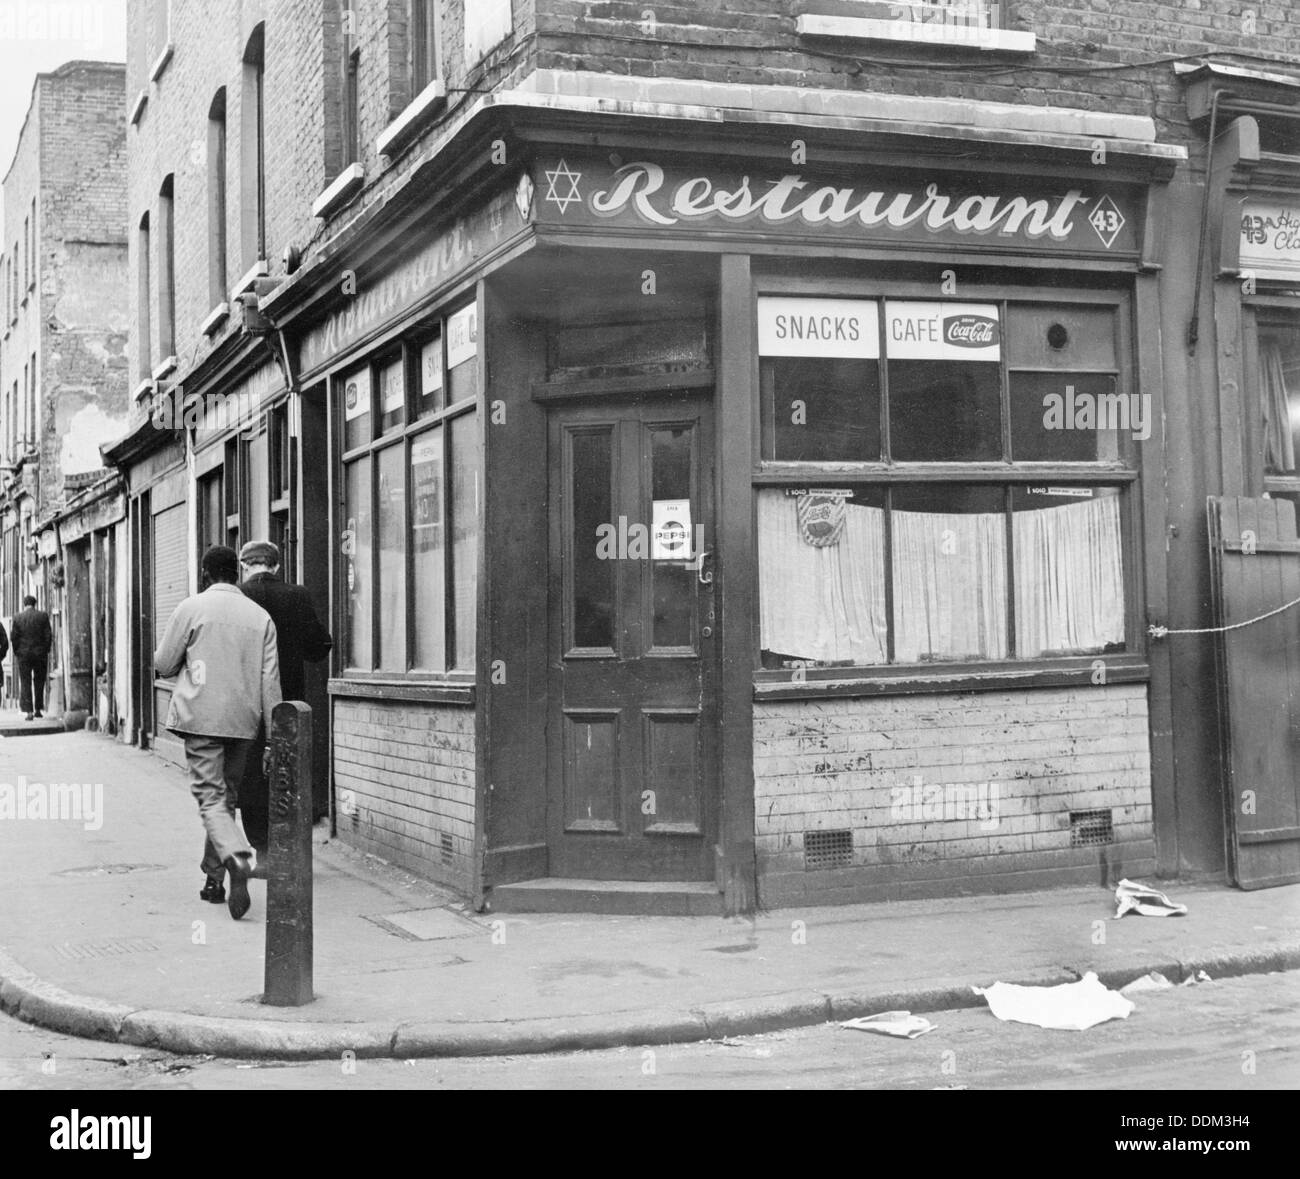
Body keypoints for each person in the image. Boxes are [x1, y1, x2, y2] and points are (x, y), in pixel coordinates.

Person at [154, 545, 282, 919]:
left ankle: (237, 858)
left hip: (201, 718)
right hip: (244, 722)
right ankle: (214, 880)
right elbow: (269, 682)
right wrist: (272, 738)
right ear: (236, 573)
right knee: (225, 799)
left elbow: (163, 662)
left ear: (206, 574)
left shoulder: (191, 609)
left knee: (212, 800)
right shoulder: (261, 618)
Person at [237, 540, 333, 858]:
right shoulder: (298, 596)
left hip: (247, 704)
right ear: (277, 566)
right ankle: (286, 851)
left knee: (252, 777)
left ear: (244, 565)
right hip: (289, 704)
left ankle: (261, 849)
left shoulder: (237, 597)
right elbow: (319, 646)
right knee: (286, 775)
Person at [11, 595, 53, 721]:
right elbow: (48, 635)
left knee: (25, 682)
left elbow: (14, 637)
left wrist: (17, 651)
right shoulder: (43, 616)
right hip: (40, 654)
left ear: (24, 604)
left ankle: (29, 711)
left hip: (24, 655)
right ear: (35, 604)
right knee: (39, 681)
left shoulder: (18, 618)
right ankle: (38, 709)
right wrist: (46, 650)